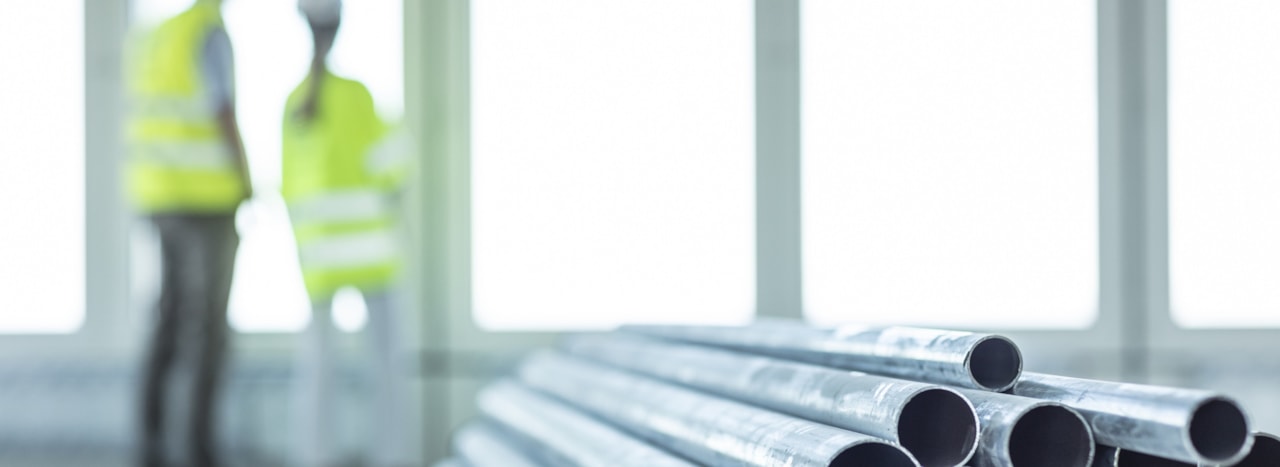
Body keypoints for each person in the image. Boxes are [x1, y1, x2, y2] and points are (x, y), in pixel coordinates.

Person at [284, 1, 413, 465]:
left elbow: (287, 188)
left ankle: (314, 457)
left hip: (319, 260)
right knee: (387, 372)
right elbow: (395, 168)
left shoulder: (294, 104)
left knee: (318, 373)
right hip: (373, 254)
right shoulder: (358, 96)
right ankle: (392, 458)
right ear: (338, 29)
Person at [125, 0, 251, 466]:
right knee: (205, 331)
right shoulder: (208, 32)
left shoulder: (159, 36)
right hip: (205, 202)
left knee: (168, 320)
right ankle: (199, 453)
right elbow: (222, 111)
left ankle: (150, 446)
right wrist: (245, 180)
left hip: (159, 196)